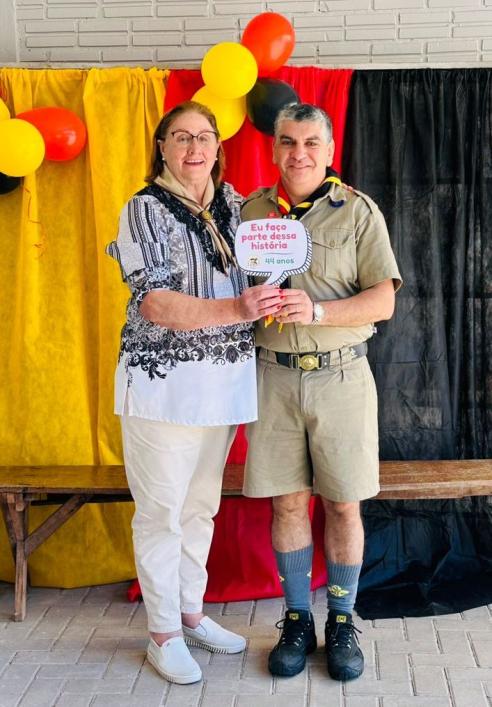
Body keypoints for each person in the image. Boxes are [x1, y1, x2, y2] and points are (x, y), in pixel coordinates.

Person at [106, 101, 282, 685]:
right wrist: (239, 307)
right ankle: (162, 634)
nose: (194, 147)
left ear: (217, 145)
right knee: (162, 513)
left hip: (223, 384)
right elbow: (154, 301)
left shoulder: (237, 207)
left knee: (201, 506)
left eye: (204, 136)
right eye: (180, 137)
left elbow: (271, 266)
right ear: (162, 146)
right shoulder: (144, 209)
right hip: (163, 387)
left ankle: (190, 612)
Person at [241, 103, 402, 682]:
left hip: (340, 376)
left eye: (311, 142)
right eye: (288, 141)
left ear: (330, 149)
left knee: (342, 504)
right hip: (273, 376)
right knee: (286, 503)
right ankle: (294, 618)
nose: (299, 153)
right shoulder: (253, 213)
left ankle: (340, 617)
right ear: (274, 147)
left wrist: (317, 308)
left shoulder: (358, 212)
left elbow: (382, 301)